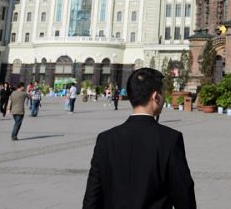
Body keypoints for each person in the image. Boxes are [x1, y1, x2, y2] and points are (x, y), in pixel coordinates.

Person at [82, 67, 196, 209]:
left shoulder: (105, 140)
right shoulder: (170, 139)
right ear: (156, 97)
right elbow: (184, 196)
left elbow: (91, 198)